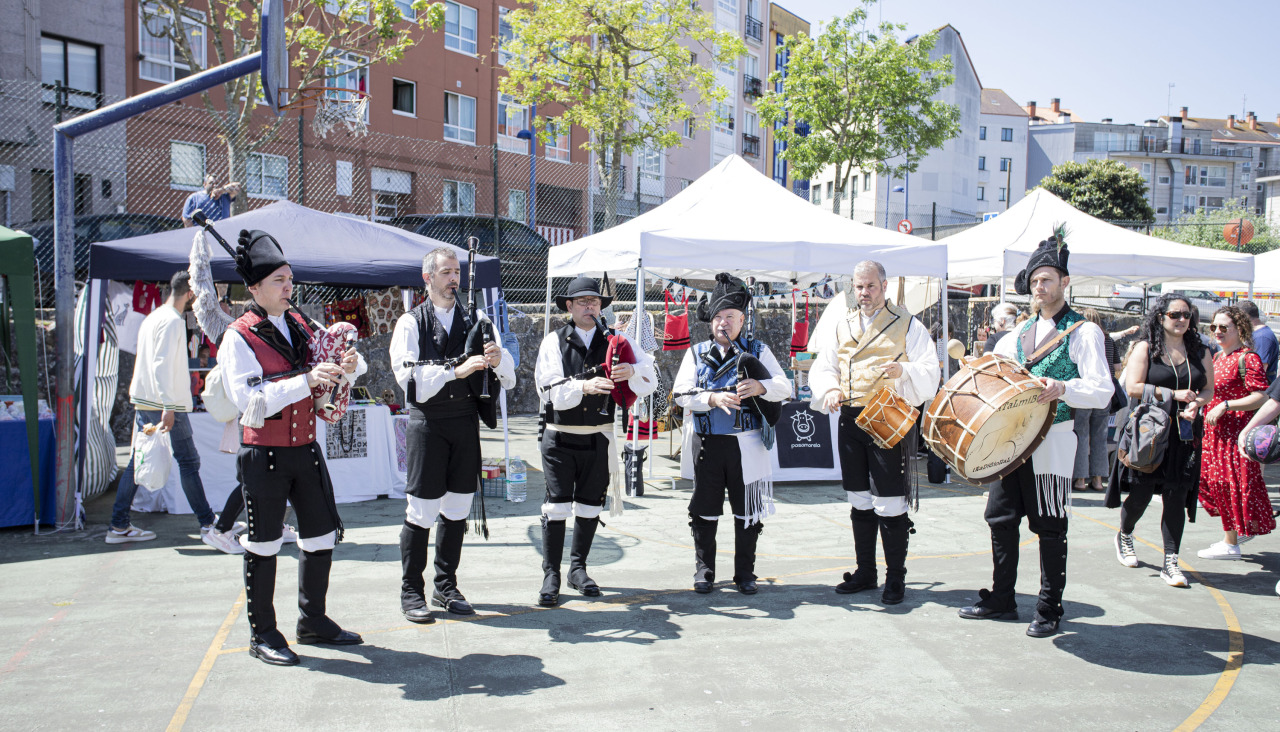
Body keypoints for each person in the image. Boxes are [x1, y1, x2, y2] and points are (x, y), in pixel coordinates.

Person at [221, 229, 367, 665]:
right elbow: (249, 401)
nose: (289, 288)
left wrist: (349, 368)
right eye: (279, 281)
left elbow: (335, 366)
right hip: (263, 453)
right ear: (254, 289)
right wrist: (305, 380)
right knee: (264, 543)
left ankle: (312, 620)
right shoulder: (238, 336)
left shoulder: (301, 323)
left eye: (290, 279)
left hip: (305, 448)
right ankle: (263, 633)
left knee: (320, 535)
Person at [958, 232, 1111, 638]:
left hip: (1054, 439)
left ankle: (1048, 608)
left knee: (1050, 524)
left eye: (1047, 279)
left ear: (1064, 282)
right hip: (1012, 438)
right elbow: (998, 376)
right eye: (1035, 281)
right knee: (1001, 518)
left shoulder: (1083, 332)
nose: (1040, 287)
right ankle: (1002, 598)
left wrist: (1065, 388)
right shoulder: (1017, 333)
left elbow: (1103, 390)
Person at [389, 247, 516, 623]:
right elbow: (409, 381)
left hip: (464, 424)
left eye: (456, 272)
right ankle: (411, 591)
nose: (453, 279)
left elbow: (507, 374)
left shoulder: (476, 317)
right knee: (422, 511)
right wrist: (456, 370)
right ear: (427, 278)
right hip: (428, 425)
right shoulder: (411, 323)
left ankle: (445, 586)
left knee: (457, 509)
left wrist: (496, 359)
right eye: (445, 272)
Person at [809, 261, 940, 606]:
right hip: (850, 418)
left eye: (870, 286)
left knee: (890, 500)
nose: (864, 293)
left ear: (884, 286)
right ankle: (866, 571)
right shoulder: (843, 325)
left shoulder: (908, 324)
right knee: (858, 497)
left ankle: (896, 578)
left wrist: (904, 369)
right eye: (858, 287)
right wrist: (830, 389)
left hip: (886, 417)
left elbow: (930, 369)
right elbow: (824, 367)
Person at [534, 277, 657, 606]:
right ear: (569, 307)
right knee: (557, 505)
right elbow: (547, 389)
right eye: (582, 302)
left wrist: (631, 371)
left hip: (599, 438)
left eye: (595, 302)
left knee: (590, 504)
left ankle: (578, 568)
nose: (590, 307)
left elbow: (650, 376)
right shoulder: (553, 341)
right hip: (559, 437)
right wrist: (583, 388)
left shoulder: (618, 340)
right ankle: (552, 574)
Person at [674, 273, 791, 595]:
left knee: (748, 510)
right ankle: (704, 571)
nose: (723, 323)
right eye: (717, 318)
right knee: (704, 509)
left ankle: (745, 574)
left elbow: (785, 387)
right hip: (707, 445)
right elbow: (681, 394)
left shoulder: (758, 350)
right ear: (710, 322)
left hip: (747, 444)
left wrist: (761, 385)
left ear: (742, 319)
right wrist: (711, 398)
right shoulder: (696, 353)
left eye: (730, 317)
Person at [1106, 295, 1213, 588]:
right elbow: (1133, 386)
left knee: (1176, 495)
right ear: (1161, 316)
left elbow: (1208, 389)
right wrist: (1172, 395)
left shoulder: (1200, 350)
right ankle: (1125, 534)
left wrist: (1197, 404)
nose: (1181, 320)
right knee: (1141, 491)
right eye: (1175, 314)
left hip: (1186, 431)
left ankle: (1171, 560)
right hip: (1150, 430)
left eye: (1186, 315)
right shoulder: (1147, 347)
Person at [106, 271, 218, 545]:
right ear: (190, 294)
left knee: (138, 461)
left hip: (148, 399)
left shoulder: (154, 317)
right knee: (188, 462)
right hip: (165, 403)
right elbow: (161, 364)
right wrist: (169, 405)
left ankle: (119, 524)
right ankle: (207, 522)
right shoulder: (171, 321)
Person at [1196, 306, 1273, 559]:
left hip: (1235, 434)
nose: (1217, 332)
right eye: (1213, 327)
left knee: (1234, 487)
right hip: (1215, 435)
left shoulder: (1247, 358)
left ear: (1239, 329)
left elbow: (1262, 396)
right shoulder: (1217, 358)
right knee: (1218, 487)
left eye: (1223, 327)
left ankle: (1232, 542)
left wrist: (1226, 405)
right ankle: (1233, 536)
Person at [1073, 309, 1117, 492]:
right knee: (1100, 436)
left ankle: (1080, 479)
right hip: (1105, 393)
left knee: (1081, 435)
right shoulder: (1108, 340)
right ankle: (1098, 480)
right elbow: (1117, 366)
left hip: (1084, 391)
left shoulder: (1079, 336)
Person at [1238, 300, 1277, 383]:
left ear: (1244, 317)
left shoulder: (1262, 337)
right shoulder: (1257, 334)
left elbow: (1259, 371)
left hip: (1260, 391)